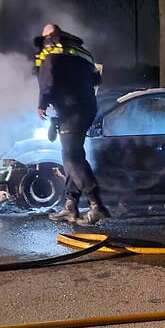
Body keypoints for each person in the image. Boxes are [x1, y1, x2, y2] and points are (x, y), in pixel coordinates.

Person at [35, 23, 111, 225]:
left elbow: (47, 76)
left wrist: (42, 104)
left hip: (70, 110)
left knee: (71, 158)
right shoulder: (83, 52)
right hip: (87, 108)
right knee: (74, 154)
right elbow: (97, 79)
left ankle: (96, 205)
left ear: (50, 36)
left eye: (44, 38)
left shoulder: (52, 47)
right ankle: (70, 205)